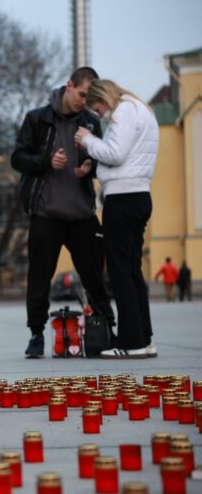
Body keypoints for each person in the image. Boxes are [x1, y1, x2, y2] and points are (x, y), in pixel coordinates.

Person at [11, 66, 115, 358]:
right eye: (82, 94)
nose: (85, 101)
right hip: (46, 213)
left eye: (90, 96)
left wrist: (89, 168)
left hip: (82, 213)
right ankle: (36, 335)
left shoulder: (92, 122)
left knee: (95, 275)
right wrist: (46, 161)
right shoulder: (37, 119)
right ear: (69, 86)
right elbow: (17, 158)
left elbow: (105, 159)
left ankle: (107, 326)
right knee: (40, 277)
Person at [75, 78, 159, 358]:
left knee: (121, 271)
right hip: (140, 195)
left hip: (122, 199)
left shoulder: (123, 111)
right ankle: (144, 339)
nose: (100, 114)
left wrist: (88, 141)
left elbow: (115, 153)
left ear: (103, 97)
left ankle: (131, 342)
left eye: (97, 108)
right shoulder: (143, 109)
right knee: (133, 271)